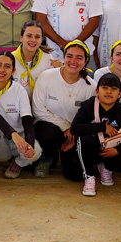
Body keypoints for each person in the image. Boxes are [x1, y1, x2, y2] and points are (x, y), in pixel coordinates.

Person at [0, 51, 42, 187]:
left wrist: (28, 144)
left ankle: (17, 164)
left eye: (7, 66)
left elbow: (27, 120)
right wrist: (13, 134)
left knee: (36, 151)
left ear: (13, 71)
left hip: (17, 137)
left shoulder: (19, 90)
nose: (1, 70)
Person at [31, 40, 97, 178]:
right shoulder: (47, 76)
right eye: (69, 56)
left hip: (74, 134)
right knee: (48, 133)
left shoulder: (90, 86)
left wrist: (74, 134)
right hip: (49, 128)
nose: (73, 61)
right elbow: (38, 109)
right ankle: (48, 156)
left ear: (85, 62)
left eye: (79, 58)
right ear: (64, 57)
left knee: (75, 175)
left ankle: (69, 154)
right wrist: (65, 126)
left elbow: (91, 118)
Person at [70, 72, 121, 196]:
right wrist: (102, 127)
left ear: (119, 94)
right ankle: (89, 176)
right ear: (97, 91)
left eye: (113, 89)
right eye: (104, 88)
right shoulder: (88, 106)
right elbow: (75, 128)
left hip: (110, 151)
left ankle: (105, 166)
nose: (109, 92)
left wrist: (118, 151)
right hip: (91, 150)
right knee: (83, 141)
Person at [11, 20, 60, 96]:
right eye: (29, 36)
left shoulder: (47, 58)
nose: (33, 40)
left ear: (41, 40)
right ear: (21, 37)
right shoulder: (11, 59)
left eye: (37, 37)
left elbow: (53, 87)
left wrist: (60, 71)